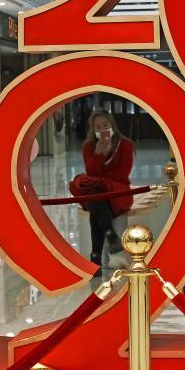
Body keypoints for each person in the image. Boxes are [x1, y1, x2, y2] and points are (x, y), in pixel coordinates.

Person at [70, 110, 134, 272]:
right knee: (95, 196)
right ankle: (110, 236)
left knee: (95, 201)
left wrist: (103, 179)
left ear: (112, 125)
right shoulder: (88, 146)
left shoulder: (125, 145)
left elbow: (122, 174)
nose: (102, 129)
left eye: (105, 125)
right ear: (93, 129)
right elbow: (91, 172)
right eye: (97, 127)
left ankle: (95, 256)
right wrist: (98, 154)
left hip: (118, 190)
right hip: (97, 190)